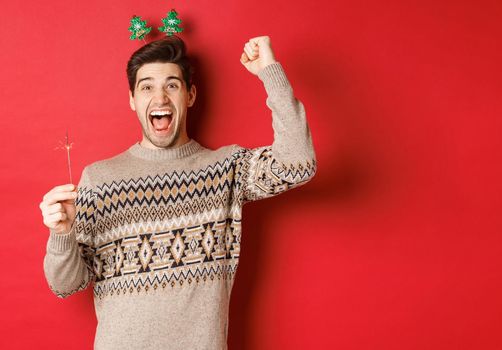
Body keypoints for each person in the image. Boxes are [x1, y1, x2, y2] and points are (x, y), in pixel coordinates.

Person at [39, 35, 317, 349]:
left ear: (190, 95)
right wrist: (62, 232)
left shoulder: (224, 170)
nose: (159, 98)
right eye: (146, 87)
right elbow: (66, 284)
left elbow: (298, 162)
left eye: (172, 85)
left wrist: (269, 70)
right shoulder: (100, 179)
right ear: (132, 99)